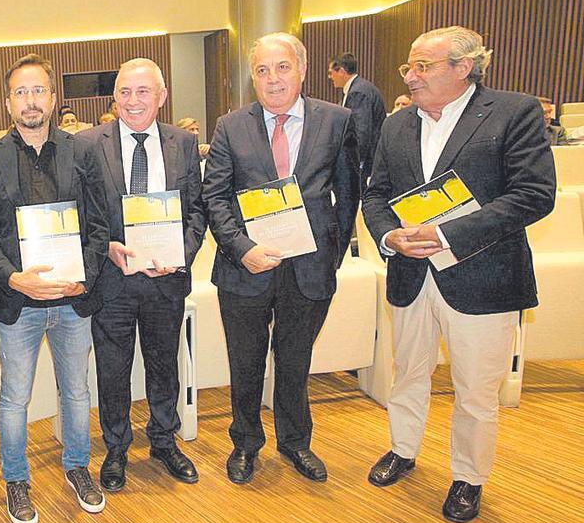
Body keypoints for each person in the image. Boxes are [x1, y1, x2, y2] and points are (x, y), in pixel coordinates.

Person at [361, 26, 555, 523]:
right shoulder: (396, 125)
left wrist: (450, 236)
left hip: (482, 277)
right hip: (410, 274)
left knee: (474, 390)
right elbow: (376, 194)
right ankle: (403, 448)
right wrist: (389, 237)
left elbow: (533, 194)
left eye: (422, 67)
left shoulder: (513, 112)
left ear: (463, 67)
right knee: (408, 373)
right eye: (409, 67)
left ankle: (469, 477)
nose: (410, 76)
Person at [202, 32, 359, 485]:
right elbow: (215, 199)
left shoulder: (337, 121)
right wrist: (242, 249)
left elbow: (348, 196)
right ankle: (245, 444)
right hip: (245, 269)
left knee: (295, 360)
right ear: (253, 77)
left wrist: (331, 255)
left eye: (283, 67)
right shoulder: (229, 126)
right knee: (245, 362)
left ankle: (296, 443)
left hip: (308, 270)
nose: (273, 79)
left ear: (303, 69)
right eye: (262, 70)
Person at [0, 53, 109, 523]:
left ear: (53, 98)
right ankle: (16, 478)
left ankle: (77, 468)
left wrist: (84, 276)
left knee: (75, 391)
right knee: (15, 398)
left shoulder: (83, 151)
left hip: (74, 300)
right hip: (17, 303)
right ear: (8, 102)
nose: (31, 100)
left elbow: (99, 225)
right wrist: (12, 277)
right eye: (20, 92)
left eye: (39, 91)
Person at [76, 58, 207, 493]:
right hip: (112, 282)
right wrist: (105, 248)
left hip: (166, 279)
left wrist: (181, 254)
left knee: (163, 363)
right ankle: (115, 448)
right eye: (124, 92)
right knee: (113, 369)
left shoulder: (183, 143)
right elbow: (83, 214)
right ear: (114, 98)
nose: (132, 101)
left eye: (143, 92)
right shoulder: (89, 144)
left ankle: (164, 441)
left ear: (162, 96)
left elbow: (197, 212)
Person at [328, 53, 387, 181]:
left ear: (342, 72)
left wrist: (352, 165)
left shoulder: (358, 92)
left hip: (366, 165)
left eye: (331, 73)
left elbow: (360, 132)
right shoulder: (361, 87)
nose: (330, 77)